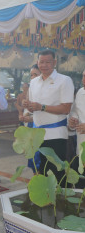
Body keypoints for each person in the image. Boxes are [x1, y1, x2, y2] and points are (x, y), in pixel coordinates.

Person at [24, 50, 74, 183]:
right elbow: (34, 108)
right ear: (37, 62)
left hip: (55, 135)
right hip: (37, 135)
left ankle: (60, 202)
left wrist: (42, 107)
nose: (44, 65)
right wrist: (29, 106)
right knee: (42, 173)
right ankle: (46, 203)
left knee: (57, 174)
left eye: (48, 62)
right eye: (41, 62)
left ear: (55, 62)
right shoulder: (34, 82)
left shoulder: (64, 80)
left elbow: (66, 108)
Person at [69, 70, 85, 165]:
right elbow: (75, 112)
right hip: (81, 147)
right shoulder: (80, 92)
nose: (84, 79)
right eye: (83, 76)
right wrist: (73, 121)